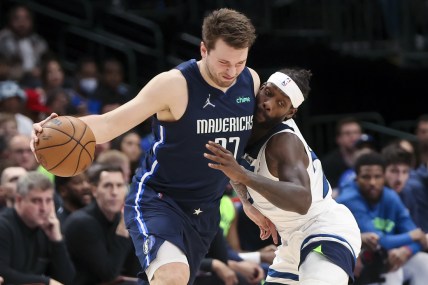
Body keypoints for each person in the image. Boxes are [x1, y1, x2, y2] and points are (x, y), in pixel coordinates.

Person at [32, 9, 259, 284]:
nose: (232, 72)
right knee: (172, 277)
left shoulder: (251, 82)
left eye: (240, 62)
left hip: (204, 208)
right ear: (203, 49)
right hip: (159, 199)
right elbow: (108, 124)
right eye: (224, 62)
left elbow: (238, 153)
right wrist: (51, 133)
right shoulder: (174, 84)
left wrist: (247, 201)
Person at [204, 68, 361, 284]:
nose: (268, 103)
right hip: (290, 242)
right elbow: (230, 166)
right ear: (260, 89)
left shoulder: (284, 143)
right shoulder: (240, 121)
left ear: (290, 113)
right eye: (268, 93)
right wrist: (247, 202)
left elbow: (301, 200)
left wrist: (243, 175)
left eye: (280, 103)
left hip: (324, 230)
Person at [337, 152, 428, 285]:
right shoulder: (349, 199)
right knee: (388, 266)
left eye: (377, 177)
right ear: (356, 178)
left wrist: (406, 250)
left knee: (423, 262)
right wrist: (412, 237)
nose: (372, 182)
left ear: (384, 177)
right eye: (366, 177)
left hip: (385, 258)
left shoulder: (390, 196)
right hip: (353, 262)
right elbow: (379, 242)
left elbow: (418, 238)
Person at [63, 164, 135, 284]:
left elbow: (134, 267)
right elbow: (108, 274)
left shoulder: (119, 218)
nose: (114, 192)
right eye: (108, 186)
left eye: (119, 185)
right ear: (95, 191)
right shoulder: (82, 223)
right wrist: (123, 230)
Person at [0, 171, 75, 284]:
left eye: (48, 200)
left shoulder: (47, 228)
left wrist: (57, 241)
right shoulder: (3, 226)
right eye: (36, 201)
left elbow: (67, 279)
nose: (44, 208)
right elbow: (3, 273)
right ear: (19, 200)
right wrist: (45, 281)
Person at [321, 116, 363, 189]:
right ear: (338, 139)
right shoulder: (328, 163)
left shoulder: (370, 158)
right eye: (347, 133)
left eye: (356, 132)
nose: (353, 137)